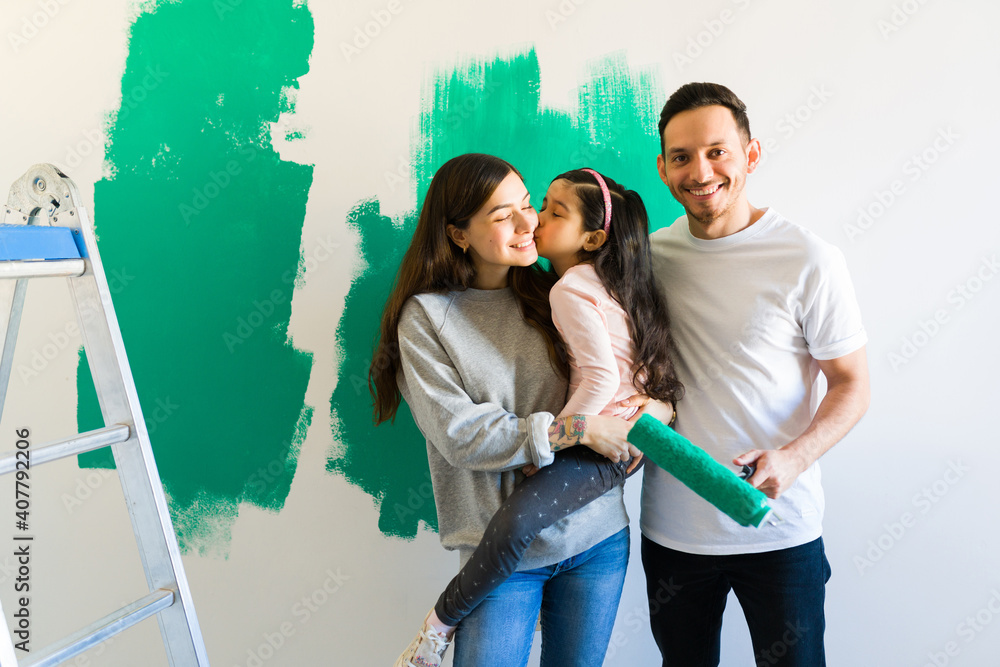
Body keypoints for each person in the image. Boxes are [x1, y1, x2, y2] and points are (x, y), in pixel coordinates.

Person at [372, 154, 660, 667]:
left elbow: (620, 367)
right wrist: (576, 429)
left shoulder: (559, 293)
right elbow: (461, 434)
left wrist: (655, 405)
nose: (531, 224)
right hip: (501, 554)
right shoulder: (428, 318)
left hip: (596, 539)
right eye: (504, 216)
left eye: (529, 206)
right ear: (459, 234)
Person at [640, 82, 871, 666]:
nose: (701, 170)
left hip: (780, 530)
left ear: (751, 153)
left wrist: (792, 458)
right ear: (663, 168)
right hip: (674, 534)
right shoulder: (647, 260)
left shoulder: (808, 258)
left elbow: (852, 383)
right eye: (682, 156)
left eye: (718, 151)